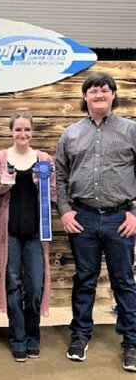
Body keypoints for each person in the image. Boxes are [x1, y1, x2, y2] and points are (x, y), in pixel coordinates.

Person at [55, 72, 136, 372]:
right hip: (83, 219)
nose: (99, 94)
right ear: (85, 97)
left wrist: (135, 214)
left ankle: (132, 342)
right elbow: (60, 176)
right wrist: (64, 210)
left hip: (120, 218)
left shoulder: (131, 130)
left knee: (124, 282)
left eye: (105, 89)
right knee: (84, 280)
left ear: (114, 95)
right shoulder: (71, 134)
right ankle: (80, 335)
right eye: (93, 90)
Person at [0, 112, 56, 362]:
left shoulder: (45, 159)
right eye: (18, 130)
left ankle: (33, 335)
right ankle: (17, 337)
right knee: (12, 284)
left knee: (35, 285)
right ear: (11, 131)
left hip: (37, 232)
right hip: (8, 233)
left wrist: (42, 185)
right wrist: (1, 187)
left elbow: (55, 194)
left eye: (27, 129)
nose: (22, 134)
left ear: (32, 132)